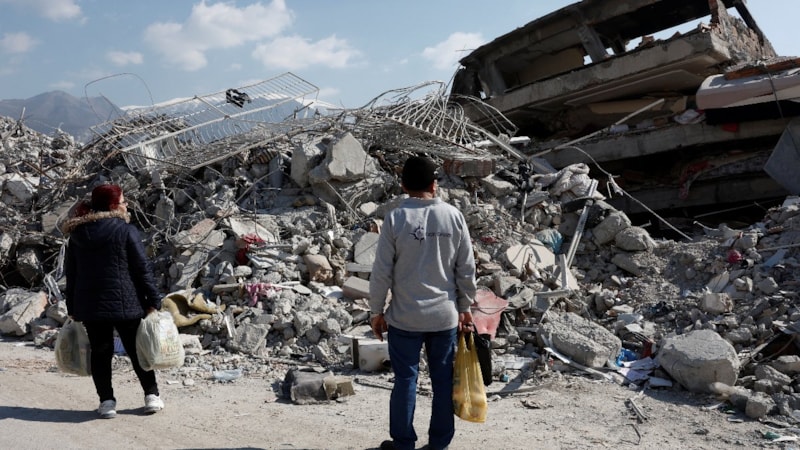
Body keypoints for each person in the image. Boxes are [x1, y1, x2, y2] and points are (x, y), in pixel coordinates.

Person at [369, 155, 477, 450]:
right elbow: (466, 269)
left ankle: (403, 443)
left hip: (405, 318)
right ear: (434, 185)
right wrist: (465, 307)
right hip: (444, 317)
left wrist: (376, 311)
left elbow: (381, 272)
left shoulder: (395, 219)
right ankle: (439, 444)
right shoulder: (453, 216)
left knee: (405, 380)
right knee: (443, 381)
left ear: (403, 186)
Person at [62, 183, 164, 419]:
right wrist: (153, 299)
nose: (126, 205)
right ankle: (151, 395)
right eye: (123, 201)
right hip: (126, 302)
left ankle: (106, 402)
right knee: (138, 350)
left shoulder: (78, 235)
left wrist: (72, 306)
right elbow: (141, 268)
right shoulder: (125, 230)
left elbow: (72, 274)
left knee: (100, 353)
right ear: (112, 205)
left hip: (91, 305)